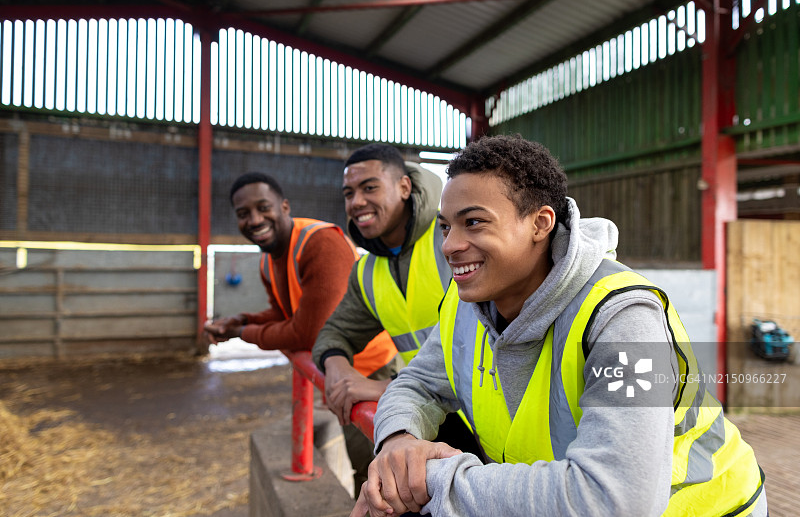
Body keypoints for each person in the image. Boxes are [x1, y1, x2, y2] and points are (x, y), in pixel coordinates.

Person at [352, 135, 767, 517]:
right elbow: (417, 384)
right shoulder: (466, 307)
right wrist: (398, 443)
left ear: (540, 224)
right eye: (445, 226)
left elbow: (616, 498)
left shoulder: (623, 319)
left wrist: (434, 480)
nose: (450, 245)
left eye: (473, 222)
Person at [203, 171, 399, 495]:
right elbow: (286, 314)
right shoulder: (270, 259)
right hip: (339, 375)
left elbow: (310, 332)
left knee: (380, 469)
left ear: (284, 206)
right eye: (243, 214)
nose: (254, 219)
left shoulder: (319, 242)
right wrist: (240, 318)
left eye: (263, 207)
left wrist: (243, 332)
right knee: (366, 467)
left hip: (371, 367)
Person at [311, 144, 476, 455]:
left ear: (404, 187)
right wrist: (339, 371)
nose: (357, 202)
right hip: (443, 419)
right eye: (348, 193)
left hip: (498, 412)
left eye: (369, 187)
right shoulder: (366, 271)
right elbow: (336, 333)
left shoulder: (454, 237)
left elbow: (493, 344)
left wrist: (383, 388)